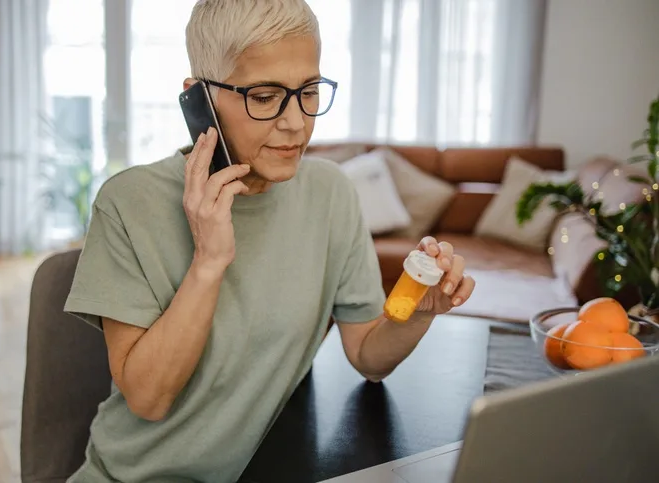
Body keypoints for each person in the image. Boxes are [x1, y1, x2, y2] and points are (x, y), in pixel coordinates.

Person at [64, 0, 476, 482]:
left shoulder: (330, 193)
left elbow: (368, 357)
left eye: (309, 91)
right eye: (264, 96)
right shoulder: (128, 203)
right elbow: (148, 399)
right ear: (199, 99)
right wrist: (208, 262)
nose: (296, 123)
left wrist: (416, 313)